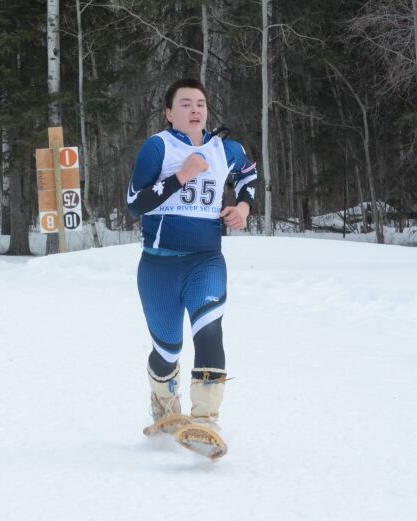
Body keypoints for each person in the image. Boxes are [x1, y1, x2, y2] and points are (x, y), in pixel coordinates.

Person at [127, 78, 258, 458]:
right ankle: (166, 407)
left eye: (200, 103)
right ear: (169, 114)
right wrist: (181, 175)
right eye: (185, 103)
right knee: (167, 350)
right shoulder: (158, 147)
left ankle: (205, 420)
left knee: (209, 329)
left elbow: (248, 173)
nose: (195, 109)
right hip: (158, 266)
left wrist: (243, 207)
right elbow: (135, 204)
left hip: (206, 260)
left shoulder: (225, 149)